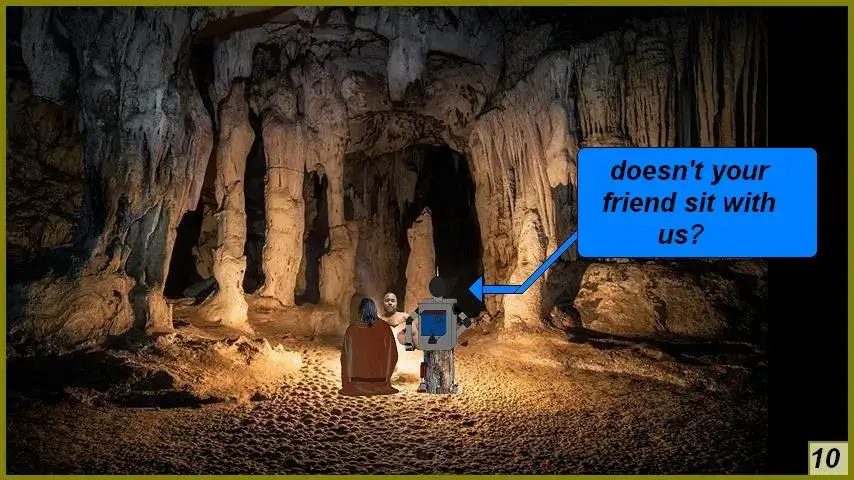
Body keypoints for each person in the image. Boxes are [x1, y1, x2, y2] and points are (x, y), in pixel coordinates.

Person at [339, 298, 399, 396]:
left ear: (360, 311)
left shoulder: (352, 329)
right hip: (380, 382)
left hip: (356, 383)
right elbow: (392, 355)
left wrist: (347, 383)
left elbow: (346, 358)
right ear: (374, 310)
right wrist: (386, 378)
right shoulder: (384, 327)